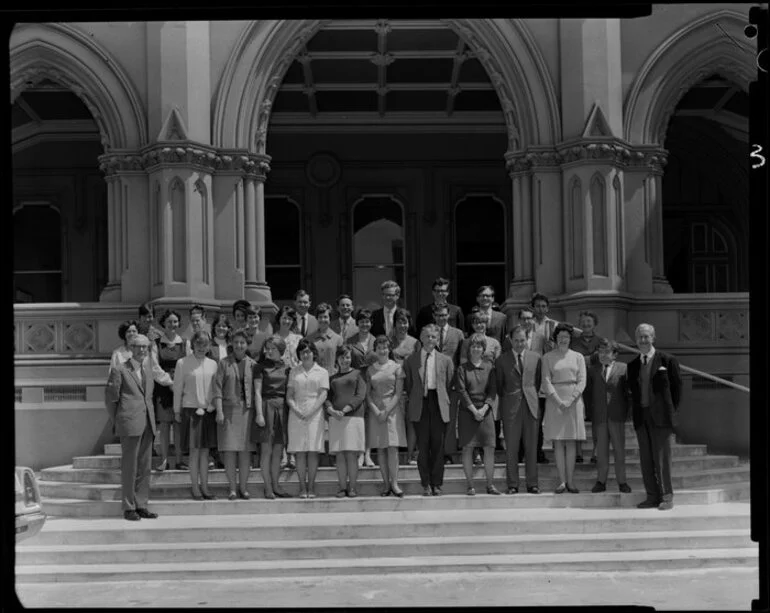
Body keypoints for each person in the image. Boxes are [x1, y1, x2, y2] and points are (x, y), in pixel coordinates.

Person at [105, 334, 172, 521]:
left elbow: (147, 397)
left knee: (145, 467)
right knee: (130, 466)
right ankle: (128, 506)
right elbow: (111, 400)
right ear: (130, 348)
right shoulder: (119, 370)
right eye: (138, 347)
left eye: (146, 347)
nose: (142, 350)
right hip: (129, 423)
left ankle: (141, 504)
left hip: (147, 423)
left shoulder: (148, 369)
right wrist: (119, 420)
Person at [628, 323, 682, 511]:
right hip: (641, 417)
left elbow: (677, 390)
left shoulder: (667, 361)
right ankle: (652, 496)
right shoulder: (632, 365)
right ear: (636, 340)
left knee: (662, 459)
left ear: (653, 338)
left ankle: (666, 496)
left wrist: (669, 412)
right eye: (640, 337)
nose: (643, 340)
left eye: (646, 336)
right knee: (646, 459)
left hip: (661, 418)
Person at [403, 324, 455, 496]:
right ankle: (425, 483)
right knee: (423, 446)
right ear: (421, 338)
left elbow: (448, 383)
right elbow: (409, 385)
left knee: (438, 446)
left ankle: (437, 483)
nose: (430, 340)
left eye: (433, 336)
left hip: (438, 403)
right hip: (421, 404)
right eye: (427, 336)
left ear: (437, 339)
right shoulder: (411, 360)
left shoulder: (446, 360)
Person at [495, 325, 543, 495]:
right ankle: (513, 484)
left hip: (531, 406)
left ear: (526, 340)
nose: (519, 344)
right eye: (516, 340)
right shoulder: (501, 360)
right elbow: (500, 386)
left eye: (522, 340)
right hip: (511, 407)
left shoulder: (536, 358)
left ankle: (532, 483)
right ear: (510, 340)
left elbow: (537, 382)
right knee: (512, 449)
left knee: (531, 447)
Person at [540, 323, 587, 494]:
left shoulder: (578, 357)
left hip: (574, 400)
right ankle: (561, 481)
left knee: (571, 440)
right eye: (560, 336)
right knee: (558, 442)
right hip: (555, 401)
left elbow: (582, 380)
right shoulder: (547, 357)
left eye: (566, 336)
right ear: (555, 338)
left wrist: (572, 399)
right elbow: (545, 380)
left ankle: (571, 481)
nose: (563, 340)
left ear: (570, 338)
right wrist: (558, 400)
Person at [173, 331, 219, 500]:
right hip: (190, 411)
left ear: (209, 346)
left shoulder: (213, 364)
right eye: (198, 343)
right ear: (193, 344)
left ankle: (205, 487)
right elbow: (178, 388)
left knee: (206, 453)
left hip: (208, 412)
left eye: (205, 344)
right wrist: (176, 410)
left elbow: (216, 389)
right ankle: (195, 488)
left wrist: (213, 406)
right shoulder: (182, 363)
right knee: (194, 452)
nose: (201, 347)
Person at [211, 329, 256, 500]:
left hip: (247, 412)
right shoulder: (223, 363)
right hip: (228, 412)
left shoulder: (253, 364)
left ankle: (243, 488)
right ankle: (231, 488)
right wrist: (219, 410)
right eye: (236, 342)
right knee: (229, 452)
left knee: (245, 452)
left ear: (247, 344)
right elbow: (217, 388)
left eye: (242, 342)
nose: (239, 345)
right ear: (232, 344)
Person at [584, 338, 633, 494]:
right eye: (600, 352)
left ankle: (622, 481)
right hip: (599, 417)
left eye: (607, 352)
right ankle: (601, 481)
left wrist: (627, 413)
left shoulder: (624, 369)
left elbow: (628, 394)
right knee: (602, 451)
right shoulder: (592, 370)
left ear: (615, 354)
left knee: (619, 451)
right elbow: (588, 394)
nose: (603, 355)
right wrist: (590, 413)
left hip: (617, 416)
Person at [456, 333, 500, 496]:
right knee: (467, 448)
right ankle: (470, 485)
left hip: (486, 411)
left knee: (489, 448)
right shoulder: (462, 368)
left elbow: (493, 390)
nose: (476, 349)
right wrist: (474, 410)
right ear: (469, 349)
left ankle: (490, 484)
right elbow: (461, 390)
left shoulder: (490, 367)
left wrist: (484, 409)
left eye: (479, 346)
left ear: (483, 349)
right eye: (473, 346)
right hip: (467, 412)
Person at [286, 339, 330, 498]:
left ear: (313, 353)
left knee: (312, 451)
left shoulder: (322, 372)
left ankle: (311, 487)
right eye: (302, 352)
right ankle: (302, 488)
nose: (305, 354)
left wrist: (311, 410)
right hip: (296, 413)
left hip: (315, 414)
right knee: (299, 452)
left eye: (308, 351)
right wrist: (296, 409)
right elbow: (289, 395)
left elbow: (323, 394)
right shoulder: (294, 371)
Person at [252, 335, 292, 499]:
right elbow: (257, 391)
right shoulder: (259, 367)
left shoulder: (287, 367)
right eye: (267, 347)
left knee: (278, 450)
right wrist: (259, 414)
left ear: (280, 350)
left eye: (272, 348)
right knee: (266, 450)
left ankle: (276, 485)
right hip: (266, 406)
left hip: (282, 408)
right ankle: (267, 487)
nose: (268, 351)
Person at [366, 335, 407, 497]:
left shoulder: (397, 367)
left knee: (392, 448)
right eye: (379, 348)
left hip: (393, 410)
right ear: (375, 350)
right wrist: (376, 411)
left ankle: (395, 483)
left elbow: (398, 393)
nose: (382, 350)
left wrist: (387, 411)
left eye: (385, 347)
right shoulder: (370, 370)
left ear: (389, 349)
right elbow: (368, 394)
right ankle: (385, 484)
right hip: (376, 410)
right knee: (381, 449)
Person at [325, 345, 367, 497]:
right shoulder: (332, 379)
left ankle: (353, 488)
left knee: (351, 454)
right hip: (336, 418)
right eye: (342, 357)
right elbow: (328, 398)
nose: (345, 360)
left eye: (348, 357)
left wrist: (346, 410)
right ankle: (343, 487)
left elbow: (360, 395)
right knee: (340, 455)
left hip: (353, 418)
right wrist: (331, 410)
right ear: (337, 359)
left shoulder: (358, 374)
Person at [153, 310, 191, 472]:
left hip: (181, 388)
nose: (172, 325)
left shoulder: (185, 343)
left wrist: (179, 385)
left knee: (178, 424)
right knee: (165, 424)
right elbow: (154, 367)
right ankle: (164, 460)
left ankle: (180, 460)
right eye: (169, 322)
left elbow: (189, 365)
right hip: (163, 388)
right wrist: (169, 383)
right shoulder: (156, 344)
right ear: (163, 323)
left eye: (175, 321)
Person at [433, 303, 465, 463]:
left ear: (449, 316)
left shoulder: (458, 334)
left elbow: (461, 359)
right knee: (436, 419)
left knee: (450, 419)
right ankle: (437, 450)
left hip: (451, 382)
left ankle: (448, 452)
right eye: (438, 315)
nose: (441, 318)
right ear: (434, 316)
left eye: (444, 315)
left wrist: (459, 381)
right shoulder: (429, 332)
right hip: (433, 382)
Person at [389, 308, 421, 465]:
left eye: (405, 322)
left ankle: (410, 454)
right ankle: (393, 456)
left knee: (411, 421)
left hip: (411, 388)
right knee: (394, 423)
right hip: (392, 389)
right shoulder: (388, 341)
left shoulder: (415, 343)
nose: (402, 325)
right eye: (399, 321)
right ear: (394, 324)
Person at [347, 308, 378, 468]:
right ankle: (359, 453)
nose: (364, 324)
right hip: (357, 383)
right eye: (361, 321)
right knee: (358, 420)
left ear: (371, 323)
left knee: (370, 420)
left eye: (367, 321)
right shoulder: (350, 341)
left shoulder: (377, 341)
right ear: (357, 323)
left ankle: (368, 454)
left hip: (374, 384)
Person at [530, 293, 558, 466]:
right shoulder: (528, 324)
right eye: (537, 306)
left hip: (547, 371)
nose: (540, 309)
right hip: (530, 371)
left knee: (550, 414)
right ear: (532, 307)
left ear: (547, 308)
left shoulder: (552, 325)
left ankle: (555, 451)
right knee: (535, 415)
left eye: (543, 306)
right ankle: (534, 450)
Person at [570, 310, 602, 465]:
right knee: (577, 419)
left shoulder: (602, 342)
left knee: (597, 419)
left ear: (594, 323)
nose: (586, 324)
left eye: (589, 321)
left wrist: (584, 359)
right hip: (578, 384)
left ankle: (596, 452)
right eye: (583, 321)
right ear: (579, 324)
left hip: (596, 384)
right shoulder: (573, 342)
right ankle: (578, 452)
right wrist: (589, 359)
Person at [304, 303, 344, 375]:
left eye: (325, 317)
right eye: (320, 317)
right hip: (313, 377)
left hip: (331, 377)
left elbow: (341, 360)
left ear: (330, 318)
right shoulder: (309, 339)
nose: (323, 319)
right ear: (317, 318)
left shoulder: (338, 339)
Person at [275, 305, 303, 369]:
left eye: (290, 319)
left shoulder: (299, 339)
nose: (287, 321)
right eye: (284, 318)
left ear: (293, 321)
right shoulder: (272, 339)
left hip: (295, 375)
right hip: (278, 376)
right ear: (279, 318)